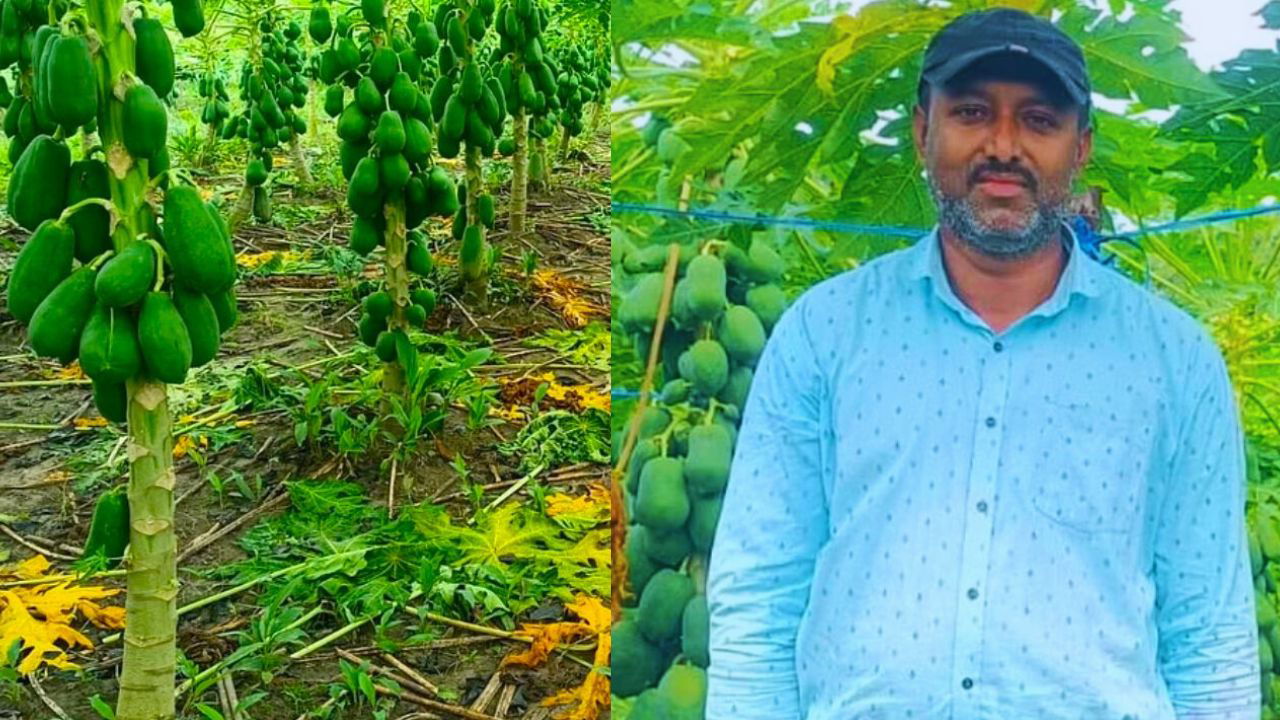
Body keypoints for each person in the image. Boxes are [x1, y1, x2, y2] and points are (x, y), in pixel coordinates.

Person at [704, 7, 1259, 719]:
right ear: (921, 132)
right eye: (971, 112)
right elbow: (760, 591)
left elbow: (1209, 630)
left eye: (1038, 119)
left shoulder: (1176, 360)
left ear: (1081, 147)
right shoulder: (824, 333)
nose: (1003, 145)